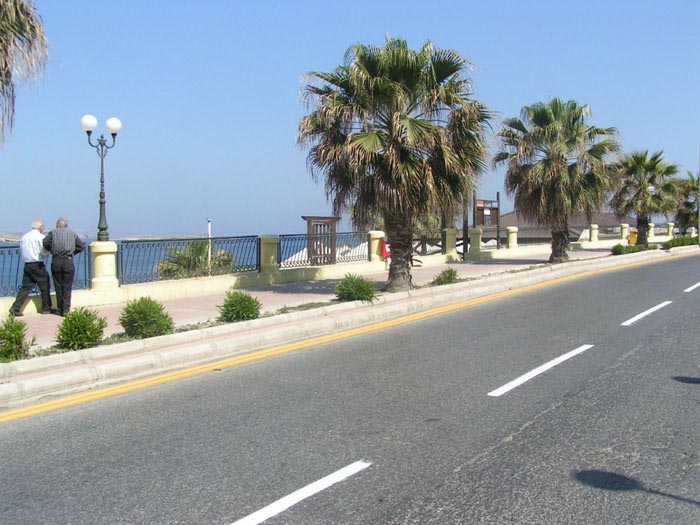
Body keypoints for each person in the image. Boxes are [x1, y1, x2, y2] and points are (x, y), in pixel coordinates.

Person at [9, 220, 54, 316]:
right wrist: (45, 255)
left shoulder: (25, 236)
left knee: (25, 287)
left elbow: (22, 249)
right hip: (37, 264)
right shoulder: (40, 237)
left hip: (27, 264)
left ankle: (15, 308)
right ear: (40, 227)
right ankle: (46, 308)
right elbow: (44, 249)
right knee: (45, 285)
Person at [43, 217, 85, 316]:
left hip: (56, 260)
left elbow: (45, 242)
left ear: (58, 225)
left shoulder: (53, 233)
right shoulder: (73, 234)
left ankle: (59, 308)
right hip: (68, 260)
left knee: (58, 285)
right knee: (67, 286)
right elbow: (81, 246)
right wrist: (72, 253)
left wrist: (52, 249)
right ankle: (66, 309)